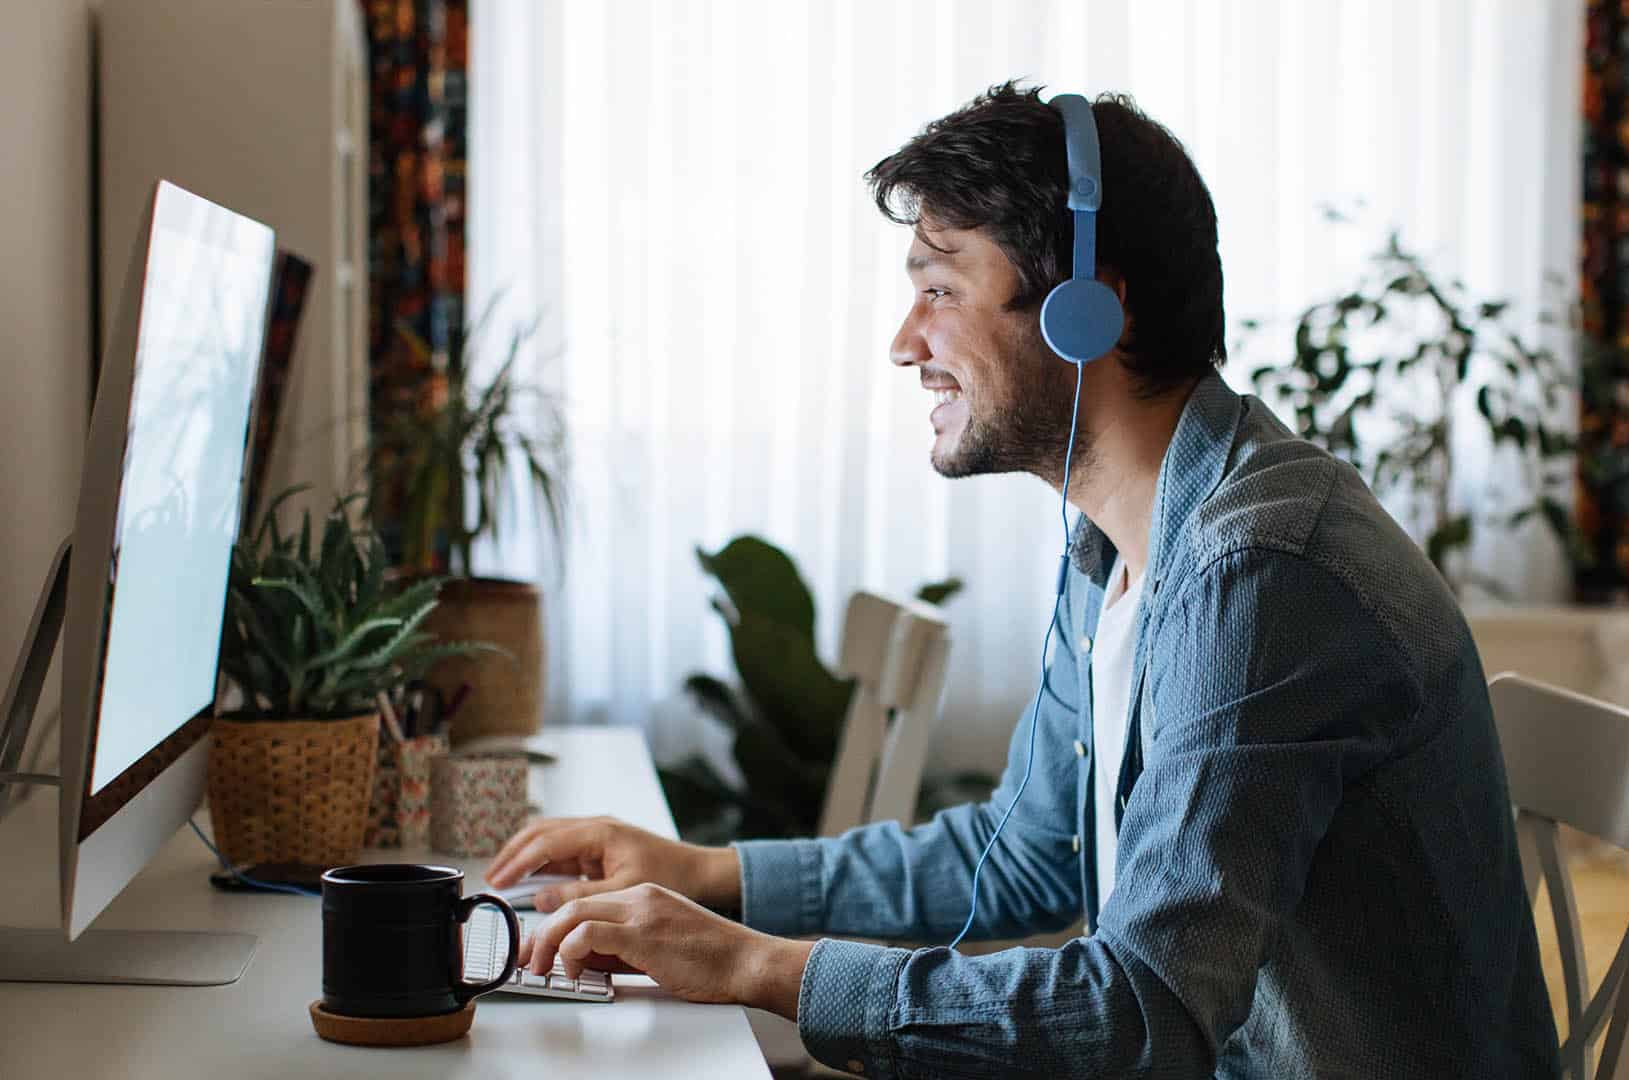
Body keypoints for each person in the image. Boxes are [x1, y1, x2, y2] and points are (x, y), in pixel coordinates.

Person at [489, 82, 1559, 1078]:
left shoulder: (1262, 574)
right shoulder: (1117, 544)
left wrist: (756, 969)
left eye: (942, 288)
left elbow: (1142, 1013)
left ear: (1090, 308)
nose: (908, 342)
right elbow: (1026, 856)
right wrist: (708, 876)